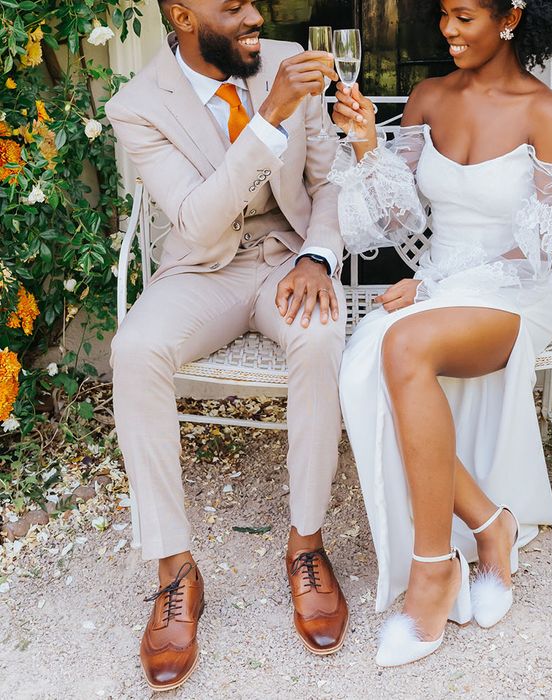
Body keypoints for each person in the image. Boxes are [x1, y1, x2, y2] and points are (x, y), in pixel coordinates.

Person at [106, 0, 350, 690]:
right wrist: (269, 116)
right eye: (233, 6)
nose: (254, 15)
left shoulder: (285, 63)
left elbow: (327, 182)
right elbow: (198, 219)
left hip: (286, 260)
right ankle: (175, 569)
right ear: (183, 16)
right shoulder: (138, 105)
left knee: (320, 333)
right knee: (135, 350)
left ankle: (305, 546)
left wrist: (320, 259)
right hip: (202, 267)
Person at [330, 0, 552, 667]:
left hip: (512, 296)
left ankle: (432, 569)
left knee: (401, 344)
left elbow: (544, 254)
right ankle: (490, 523)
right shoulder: (428, 96)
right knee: (364, 362)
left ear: (510, 17)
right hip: (440, 287)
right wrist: (364, 147)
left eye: (464, 15)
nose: (447, 30)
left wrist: (436, 288)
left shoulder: (548, 114)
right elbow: (397, 219)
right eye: (444, 14)